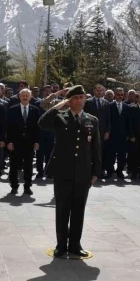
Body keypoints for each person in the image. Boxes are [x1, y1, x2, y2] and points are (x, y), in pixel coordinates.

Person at [39, 85, 101, 258]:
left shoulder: (92, 120)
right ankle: (61, 245)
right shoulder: (60, 117)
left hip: (83, 172)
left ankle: (75, 245)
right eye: (75, 98)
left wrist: (96, 171)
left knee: (78, 210)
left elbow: (96, 147)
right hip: (63, 171)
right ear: (69, 100)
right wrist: (60, 105)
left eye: (82, 97)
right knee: (62, 210)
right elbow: (42, 123)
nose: (79, 101)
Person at [7, 88, 40, 195]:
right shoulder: (12, 109)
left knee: (28, 166)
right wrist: (9, 141)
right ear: (19, 97)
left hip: (29, 143)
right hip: (15, 143)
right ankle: (14, 186)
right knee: (14, 165)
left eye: (27, 95)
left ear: (30, 97)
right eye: (23, 95)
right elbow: (9, 127)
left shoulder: (35, 110)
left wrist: (36, 141)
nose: (25, 97)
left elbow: (37, 128)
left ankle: (27, 186)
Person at [106, 87, 131, 180]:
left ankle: (119, 171)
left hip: (123, 136)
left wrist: (129, 134)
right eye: (118, 95)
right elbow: (107, 120)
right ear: (115, 95)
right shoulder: (109, 106)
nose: (120, 96)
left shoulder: (127, 107)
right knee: (111, 155)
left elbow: (129, 122)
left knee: (122, 156)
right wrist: (107, 132)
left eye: (121, 95)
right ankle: (109, 171)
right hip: (112, 135)